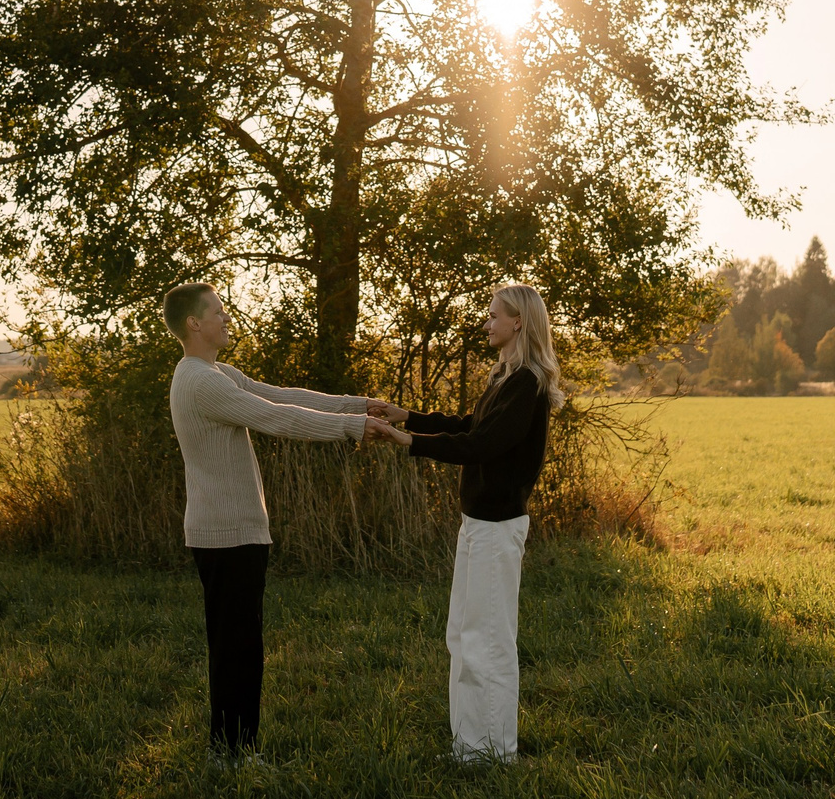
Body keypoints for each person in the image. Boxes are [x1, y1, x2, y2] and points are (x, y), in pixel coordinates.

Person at [165, 282, 396, 761]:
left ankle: (230, 749)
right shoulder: (201, 381)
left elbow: (283, 395)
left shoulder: (215, 371)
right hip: (226, 536)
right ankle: (232, 753)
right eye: (219, 312)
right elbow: (277, 419)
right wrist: (355, 427)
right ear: (194, 323)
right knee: (237, 649)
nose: (227, 319)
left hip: (234, 532)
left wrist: (356, 405)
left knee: (239, 645)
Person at [370, 284, 562, 761]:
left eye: (494, 315)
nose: (487, 322)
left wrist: (407, 440)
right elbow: (470, 427)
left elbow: (480, 447)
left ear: (518, 321)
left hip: (498, 528)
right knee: (463, 635)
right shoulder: (505, 377)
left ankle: (494, 753)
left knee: (489, 641)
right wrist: (409, 417)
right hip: (477, 524)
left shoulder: (527, 384)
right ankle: (468, 747)